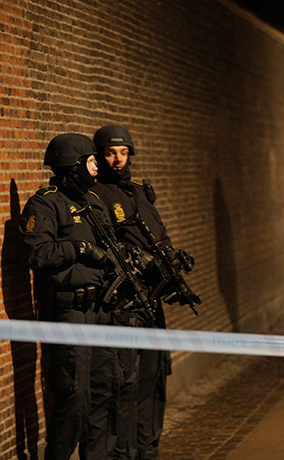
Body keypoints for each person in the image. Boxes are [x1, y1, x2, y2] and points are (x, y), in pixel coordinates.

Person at [19, 133, 110, 460]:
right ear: (74, 165)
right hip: (69, 312)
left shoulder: (93, 202)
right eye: (90, 160)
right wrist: (78, 248)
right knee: (74, 396)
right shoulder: (45, 204)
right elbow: (37, 253)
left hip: (100, 309)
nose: (96, 165)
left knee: (102, 394)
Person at [90, 124, 173, 460]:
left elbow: (160, 234)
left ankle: (148, 451)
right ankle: (125, 453)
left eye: (123, 152)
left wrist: (170, 262)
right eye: (111, 153)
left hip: (152, 302)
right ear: (99, 155)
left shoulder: (139, 192)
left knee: (154, 382)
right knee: (124, 385)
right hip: (124, 305)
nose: (118, 159)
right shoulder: (96, 195)